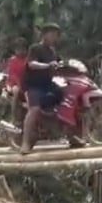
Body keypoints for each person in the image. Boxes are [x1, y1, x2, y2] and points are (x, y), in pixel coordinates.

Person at [21, 23, 65, 154]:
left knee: (67, 100)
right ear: (44, 35)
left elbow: (58, 64)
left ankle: (71, 135)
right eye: (52, 34)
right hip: (34, 85)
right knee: (34, 109)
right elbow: (32, 64)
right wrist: (47, 65)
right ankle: (25, 143)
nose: (55, 37)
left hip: (48, 84)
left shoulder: (53, 52)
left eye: (56, 35)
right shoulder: (35, 48)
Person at [4, 37, 28, 125]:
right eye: (18, 49)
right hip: (13, 83)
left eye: (22, 49)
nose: (20, 51)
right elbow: (12, 75)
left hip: (25, 83)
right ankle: (13, 117)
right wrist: (18, 83)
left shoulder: (27, 61)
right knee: (16, 91)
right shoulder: (13, 61)